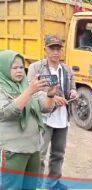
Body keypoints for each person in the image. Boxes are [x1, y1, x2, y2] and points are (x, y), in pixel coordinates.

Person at [0, 50, 56, 189]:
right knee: (12, 187)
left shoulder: (26, 85)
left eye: (21, 67)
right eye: (14, 68)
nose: (19, 71)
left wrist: (50, 95)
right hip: (14, 151)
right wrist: (29, 91)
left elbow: (45, 108)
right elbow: (8, 112)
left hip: (34, 149)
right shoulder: (2, 88)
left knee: (30, 187)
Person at [27, 35, 77, 189]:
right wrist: (52, 97)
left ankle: (53, 183)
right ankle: (37, 185)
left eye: (58, 48)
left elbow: (73, 86)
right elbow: (31, 92)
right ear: (45, 50)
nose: (56, 52)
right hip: (44, 119)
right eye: (52, 48)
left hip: (62, 119)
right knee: (40, 155)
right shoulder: (36, 68)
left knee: (58, 154)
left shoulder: (66, 69)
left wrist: (73, 92)